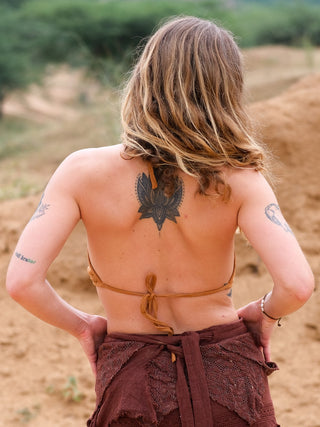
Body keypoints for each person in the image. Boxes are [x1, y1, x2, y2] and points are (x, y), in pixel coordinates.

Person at [6, 16, 314, 427]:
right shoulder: (240, 179)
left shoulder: (80, 171)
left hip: (132, 376)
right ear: (226, 90)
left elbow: (22, 281)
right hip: (230, 376)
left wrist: (83, 327)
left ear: (145, 78)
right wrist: (265, 313)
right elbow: (296, 285)